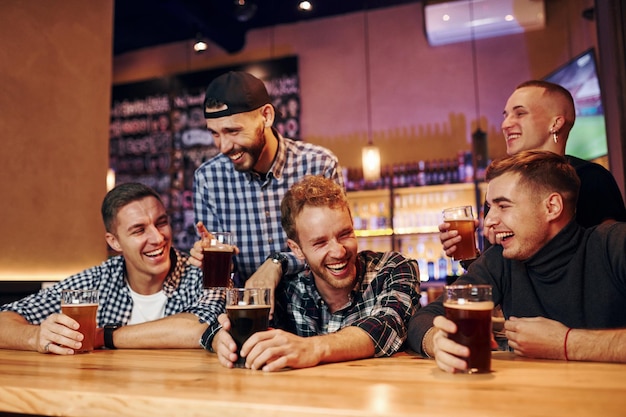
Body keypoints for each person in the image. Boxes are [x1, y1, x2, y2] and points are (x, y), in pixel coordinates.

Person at [408, 150, 626, 372]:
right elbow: (423, 318)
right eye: (490, 207)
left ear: (552, 207)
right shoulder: (500, 262)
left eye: (503, 206)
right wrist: (437, 341)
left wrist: (567, 343)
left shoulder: (614, 244)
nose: (489, 221)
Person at [201, 175, 421, 371]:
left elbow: (387, 327)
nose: (338, 251)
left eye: (345, 234)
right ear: (296, 249)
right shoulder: (288, 291)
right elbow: (213, 328)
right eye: (320, 242)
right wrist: (221, 339)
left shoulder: (393, 269)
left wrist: (312, 348)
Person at [0, 183, 223, 355]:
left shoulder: (203, 272)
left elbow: (201, 326)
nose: (158, 237)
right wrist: (36, 336)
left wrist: (103, 336)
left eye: (161, 222)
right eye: (139, 230)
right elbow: (4, 319)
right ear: (114, 242)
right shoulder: (99, 279)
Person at [439, 80, 626, 262]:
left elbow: (608, 263)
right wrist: (469, 256)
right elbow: (497, 284)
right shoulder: (499, 187)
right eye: (505, 115)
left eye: (520, 113)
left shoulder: (592, 179)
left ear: (556, 123)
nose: (505, 125)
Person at [191, 71, 343, 287]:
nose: (223, 146)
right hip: (252, 314)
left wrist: (277, 263)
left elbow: (335, 250)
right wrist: (211, 261)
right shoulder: (208, 179)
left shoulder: (319, 164)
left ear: (266, 116)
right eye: (215, 134)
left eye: (233, 131)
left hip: (316, 311)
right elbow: (221, 277)